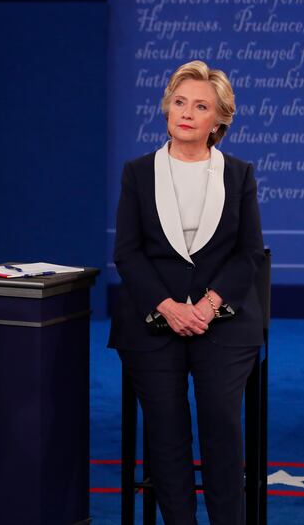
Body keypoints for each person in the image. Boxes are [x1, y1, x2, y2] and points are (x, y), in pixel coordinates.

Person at [108, 60, 265, 525]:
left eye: (201, 106)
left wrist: (207, 307)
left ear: (219, 120)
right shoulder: (138, 173)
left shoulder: (239, 174)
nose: (187, 113)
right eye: (179, 102)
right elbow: (128, 253)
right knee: (166, 431)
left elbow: (248, 255)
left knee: (220, 423)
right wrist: (171, 308)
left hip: (225, 323)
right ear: (167, 108)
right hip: (153, 320)